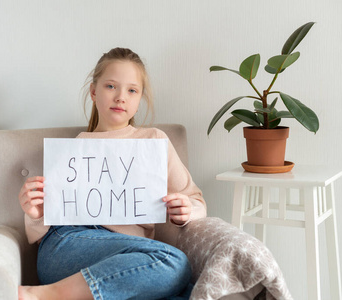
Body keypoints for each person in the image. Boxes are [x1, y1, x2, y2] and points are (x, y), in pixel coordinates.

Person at [18, 47, 207, 300]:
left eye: (132, 90)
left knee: (184, 291)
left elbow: (196, 200)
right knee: (173, 262)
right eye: (110, 86)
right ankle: (40, 295)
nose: (121, 97)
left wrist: (187, 209)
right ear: (94, 92)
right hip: (67, 243)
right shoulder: (74, 147)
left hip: (130, 258)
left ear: (139, 99)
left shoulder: (153, 141)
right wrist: (35, 213)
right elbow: (43, 227)